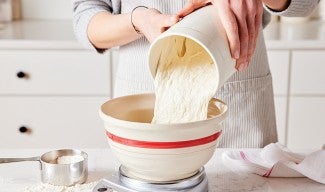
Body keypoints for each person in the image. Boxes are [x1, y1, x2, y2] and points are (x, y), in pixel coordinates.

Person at [73, 0, 319, 148]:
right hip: (144, 100)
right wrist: (138, 21)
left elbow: (305, 3)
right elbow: (86, 17)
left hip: (239, 109)